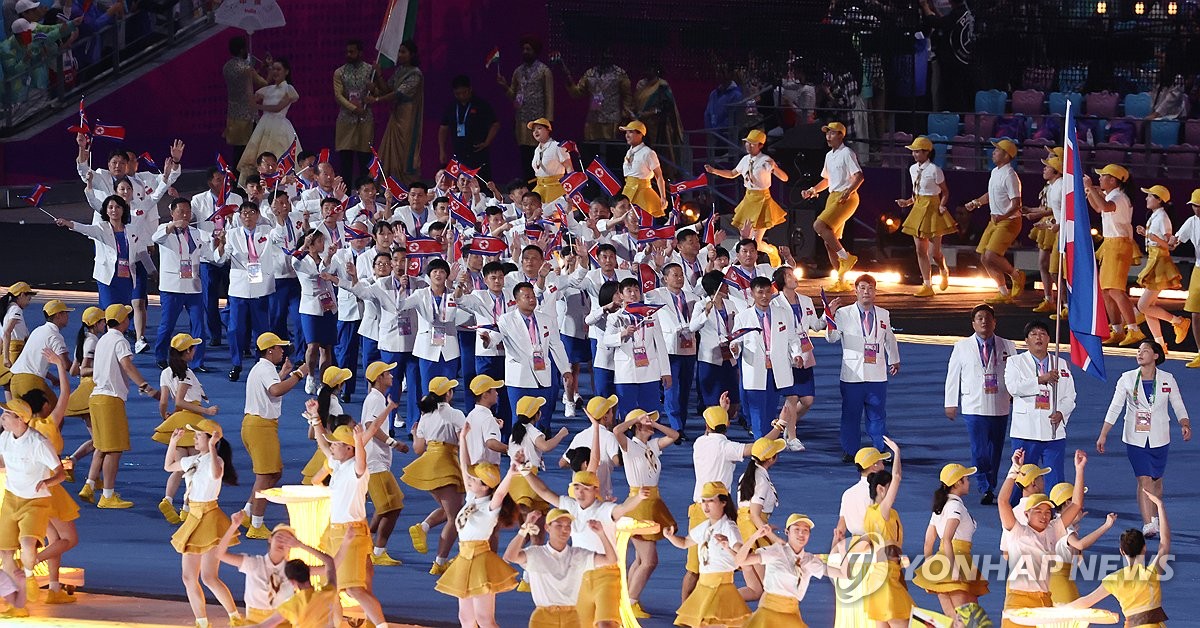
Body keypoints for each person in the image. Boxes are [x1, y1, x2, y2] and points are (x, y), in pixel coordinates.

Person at [522, 443, 648, 628]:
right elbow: (543, 492)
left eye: (586, 488)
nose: (580, 492)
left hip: (606, 574)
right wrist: (525, 472)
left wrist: (638, 498)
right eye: (577, 487)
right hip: (579, 575)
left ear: (595, 490)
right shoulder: (570, 506)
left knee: (606, 624)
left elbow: (622, 508)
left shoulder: (605, 509)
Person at [683, 400, 784, 603]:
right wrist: (779, 427)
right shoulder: (726, 447)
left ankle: (686, 612)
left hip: (699, 509)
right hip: (719, 511)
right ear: (727, 425)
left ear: (707, 426)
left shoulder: (700, 443)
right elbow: (758, 448)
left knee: (696, 567)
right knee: (719, 565)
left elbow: (713, 432)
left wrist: (722, 412)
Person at [1098, 339, 1190, 538]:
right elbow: (1115, 407)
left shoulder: (1168, 378)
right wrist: (1104, 433)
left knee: (1156, 481)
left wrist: (1185, 423)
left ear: (1156, 356)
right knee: (1144, 479)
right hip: (1135, 438)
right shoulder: (1127, 378)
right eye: (1138, 351)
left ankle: (1155, 516)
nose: (1139, 354)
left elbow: (1178, 403)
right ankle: (1148, 523)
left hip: (1159, 437)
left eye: (1145, 351)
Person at [433, 422, 519, 628]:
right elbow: (464, 467)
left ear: (485, 486)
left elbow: (499, 493)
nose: (469, 480)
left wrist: (511, 474)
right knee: (466, 619)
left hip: (481, 562)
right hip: (464, 558)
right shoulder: (473, 497)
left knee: (484, 619)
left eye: (475, 479)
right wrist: (462, 438)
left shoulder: (490, 506)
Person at [310, 420, 390, 628]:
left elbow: (361, 462)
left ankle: (381, 625)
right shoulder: (338, 464)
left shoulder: (357, 471)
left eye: (337, 444)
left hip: (351, 533)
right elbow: (322, 443)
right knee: (334, 586)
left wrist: (358, 441)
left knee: (354, 588)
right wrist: (316, 420)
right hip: (337, 532)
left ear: (349, 448)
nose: (333, 446)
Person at [164, 419, 244, 628]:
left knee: (209, 576)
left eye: (199, 435)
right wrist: (173, 443)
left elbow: (217, 474)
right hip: (193, 518)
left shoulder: (216, 461)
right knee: (188, 577)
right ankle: (201, 621)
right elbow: (168, 466)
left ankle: (234, 616)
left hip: (209, 517)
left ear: (211, 439)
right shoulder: (194, 460)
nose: (195, 438)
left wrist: (211, 448)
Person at [998, 448, 1087, 626]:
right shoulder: (1017, 531)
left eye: (1047, 511)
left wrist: (1079, 470)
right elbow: (1002, 500)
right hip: (1018, 602)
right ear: (1026, 514)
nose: (1044, 515)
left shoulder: (1053, 530)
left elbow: (1076, 504)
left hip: (1045, 602)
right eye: (1038, 511)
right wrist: (1014, 470)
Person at [81, 304, 158, 509]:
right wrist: (145, 386)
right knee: (114, 450)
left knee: (101, 446)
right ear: (124, 321)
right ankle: (107, 495)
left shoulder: (103, 339)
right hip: (110, 400)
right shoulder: (120, 340)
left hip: (96, 397)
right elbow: (127, 365)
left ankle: (89, 485)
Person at [0, 398, 66, 619]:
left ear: (20, 419)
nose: (2, 418)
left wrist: (48, 482)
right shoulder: (5, 437)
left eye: (7, 415)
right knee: (6, 553)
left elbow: (61, 472)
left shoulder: (39, 443)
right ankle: (17, 605)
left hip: (35, 501)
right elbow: (3, 460)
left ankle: (29, 576)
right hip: (11, 498)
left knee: (28, 544)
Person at [944, 304, 1016, 504]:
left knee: (996, 449)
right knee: (979, 449)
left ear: (995, 322)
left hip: (1000, 403)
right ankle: (984, 484)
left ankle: (990, 486)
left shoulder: (1007, 345)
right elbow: (953, 376)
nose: (984, 321)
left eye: (987, 318)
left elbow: (1015, 373)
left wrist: (1015, 394)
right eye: (979, 318)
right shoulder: (962, 346)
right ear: (973, 323)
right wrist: (951, 403)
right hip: (973, 405)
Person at [240, 332, 310, 539]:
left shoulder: (262, 368)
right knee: (265, 476)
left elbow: (269, 390)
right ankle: (256, 524)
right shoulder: (265, 368)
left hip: (260, 426)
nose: (282, 351)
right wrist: (298, 374)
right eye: (280, 348)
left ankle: (247, 513)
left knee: (274, 473)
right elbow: (276, 390)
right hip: (260, 427)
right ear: (270, 350)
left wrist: (285, 373)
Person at [1068, 490, 1170, 627]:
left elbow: (1086, 602)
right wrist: (1159, 505)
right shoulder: (1152, 573)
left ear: (1121, 551)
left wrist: (1056, 610)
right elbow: (1165, 542)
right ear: (1144, 548)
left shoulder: (1114, 579)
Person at [826, 274, 900, 462]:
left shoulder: (883, 314)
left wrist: (894, 359)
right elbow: (832, 338)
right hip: (852, 375)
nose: (866, 291)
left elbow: (889, 338)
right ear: (856, 290)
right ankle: (850, 450)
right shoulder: (843, 313)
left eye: (870, 288)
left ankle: (881, 449)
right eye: (862, 288)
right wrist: (830, 314)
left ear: (875, 291)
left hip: (877, 374)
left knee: (877, 415)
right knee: (851, 415)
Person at [613, 409, 679, 616]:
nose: (650, 424)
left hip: (652, 503)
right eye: (647, 422)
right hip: (639, 503)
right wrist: (634, 419)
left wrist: (654, 425)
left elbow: (675, 436)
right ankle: (630, 603)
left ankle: (628, 598)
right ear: (637, 426)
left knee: (642, 560)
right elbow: (616, 430)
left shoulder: (652, 446)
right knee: (650, 560)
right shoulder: (630, 446)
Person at [502, 508, 617, 628]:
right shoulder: (536, 553)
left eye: (568, 525)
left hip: (571, 616)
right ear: (547, 528)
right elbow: (510, 556)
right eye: (559, 525)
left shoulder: (578, 554)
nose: (565, 529)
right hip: (543, 618)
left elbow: (611, 559)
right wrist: (524, 528)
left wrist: (601, 534)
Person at [663, 481, 752, 628]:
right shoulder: (704, 527)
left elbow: (740, 550)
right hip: (703, 586)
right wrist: (670, 536)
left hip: (721, 588)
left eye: (711, 501)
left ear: (723, 502)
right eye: (703, 501)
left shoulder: (728, 527)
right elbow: (685, 542)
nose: (705, 505)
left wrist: (731, 545)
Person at [484, 282, 571, 430]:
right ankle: (517, 451)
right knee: (520, 421)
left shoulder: (546, 319)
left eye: (533, 296)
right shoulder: (507, 319)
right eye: (527, 297)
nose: (532, 300)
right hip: (519, 379)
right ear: (517, 301)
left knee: (541, 420)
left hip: (543, 375)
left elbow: (556, 345)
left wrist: (565, 370)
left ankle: (537, 451)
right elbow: (496, 336)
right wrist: (488, 340)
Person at [402, 377, 466, 574]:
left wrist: (414, 434)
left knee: (449, 510)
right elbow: (464, 439)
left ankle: (424, 527)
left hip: (428, 465)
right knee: (455, 517)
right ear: (448, 394)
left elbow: (419, 449)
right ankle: (439, 562)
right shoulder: (455, 414)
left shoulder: (425, 416)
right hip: (445, 464)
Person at [153, 334, 219, 524]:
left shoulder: (165, 372)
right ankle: (186, 507)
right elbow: (181, 401)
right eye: (192, 348)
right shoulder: (187, 373)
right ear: (187, 352)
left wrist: (166, 416)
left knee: (179, 467)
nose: (195, 350)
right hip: (192, 421)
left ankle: (168, 499)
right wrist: (207, 410)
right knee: (194, 467)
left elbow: (164, 400)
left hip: (178, 420)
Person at [911, 463, 990, 620]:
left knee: (954, 619)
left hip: (941, 563)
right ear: (957, 483)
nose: (969, 482)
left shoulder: (940, 507)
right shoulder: (955, 506)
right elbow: (947, 538)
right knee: (969, 619)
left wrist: (930, 566)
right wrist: (954, 570)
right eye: (966, 479)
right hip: (957, 561)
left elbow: (928, 542)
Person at [1005, 319, 1076, 489]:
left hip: (1053, 431)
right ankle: (1017, 512)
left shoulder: (1061, 363)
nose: (1039, 338)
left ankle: (1055, 512)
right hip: (1025, 431)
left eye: (1042, 334)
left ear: (1049, 339)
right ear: (1026, 341)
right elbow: (1013, 388)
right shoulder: (1015, 362)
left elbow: (1070, 396)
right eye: (1034, 334)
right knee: (1023, 477)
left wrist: (1061, 413)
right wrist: (1040, 379)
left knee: (1056, 478)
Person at [731, 277, 804, 439]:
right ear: (752, 293)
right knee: (757, 409)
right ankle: (760, 443)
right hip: (755, 368)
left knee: (771, 409)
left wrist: (796, 354)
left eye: (767, 292)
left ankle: (767, 442)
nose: (764, 296)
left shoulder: (783, 313)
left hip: (777, 368)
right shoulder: (743, 317)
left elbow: (792, 338)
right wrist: (735, 347)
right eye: (760, 292)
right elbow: (736, 339)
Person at [736, 514, 839, 628]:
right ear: (787, 532)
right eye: (797, 529)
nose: (801, 533)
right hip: (769, 613)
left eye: (806, 530)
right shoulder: (776, 551)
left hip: (792, 616)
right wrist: (754, 537)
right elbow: (741, 560)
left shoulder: (809, 560)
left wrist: (837, 546)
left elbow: (840, 573)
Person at [216, 514, 322, 623]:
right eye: (279, 537)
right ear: (270, 539)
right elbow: (220, 554)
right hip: (255, 621)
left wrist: (302, 545)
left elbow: (329, 568)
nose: (282, 542)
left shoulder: (294, 570)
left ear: (292, 545)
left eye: (287, 540)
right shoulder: (253, 563)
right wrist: (233, 526)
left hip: (282, 620)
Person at [705, 129, 789, 262]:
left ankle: (771, 251)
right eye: (747, 143)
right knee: (746, 240)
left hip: (762, 201)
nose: (748, 146)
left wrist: (775, 168)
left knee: (756, 242)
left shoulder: (765, 160)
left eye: (752, 144)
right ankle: (750, 266)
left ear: (760, 145)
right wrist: (714, 171)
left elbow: (784, 178)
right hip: (748, 200)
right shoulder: (745, 160)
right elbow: (733, 173)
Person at [217, 202, 277, 382]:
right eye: (244, 213)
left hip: (261, 286)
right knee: (235, 328)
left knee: (262, 329)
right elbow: (222, 258)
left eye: (251, 213)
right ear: (240, 216)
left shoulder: (267, 231)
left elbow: (279, 234)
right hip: (239, 288)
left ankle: (264, 364)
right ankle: (236, 363)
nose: (248, 217)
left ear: (257, 215)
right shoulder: (232, 234)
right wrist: (220, 244)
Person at [56, 195, 151, 309]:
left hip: (126, 277)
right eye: (110, 207)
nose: (114, 210)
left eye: (117, 207)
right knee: (110, 311)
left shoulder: (132, 229)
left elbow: (141, 250)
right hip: (108, 278)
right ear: (106, 211)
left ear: (123, 209)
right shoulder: (101, 228)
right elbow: (85, 229)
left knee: (124, 311)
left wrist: (152, 270)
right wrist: (67, 223)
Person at [801, 122, 863, 292]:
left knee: (819, 225)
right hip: (833, 196)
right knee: (829, 241)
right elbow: (827, 179)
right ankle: (841, 280)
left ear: (841, 135)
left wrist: (849, 191)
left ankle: (846, 257)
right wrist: (813, 190)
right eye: (827, 133)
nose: (828, 136)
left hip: (846, 197)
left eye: (832, 133)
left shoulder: (847, 153)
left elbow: (859, 176)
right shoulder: (829, 155)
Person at [1085, 164, 1142, 346]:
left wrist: (1091, 188)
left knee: (1116, 290)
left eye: (1103, 176)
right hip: (1111, 244)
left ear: (1113, 180)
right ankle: (1117, 329)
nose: (1099, 179)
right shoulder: (1112, 195)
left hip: (1119, 245)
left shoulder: (1119, 197)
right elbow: (1097, 208)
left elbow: (1104, 206)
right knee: (1106, 291)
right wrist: (1089, 191)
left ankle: (1134, 328)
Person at [153, 198, 213, 371]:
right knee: (167, 325)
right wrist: (173, 224)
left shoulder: (196, 233)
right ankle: (160, 355)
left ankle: (197, 361)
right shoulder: (165, 230)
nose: (185, 215)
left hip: (194, 286)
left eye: (188, 212)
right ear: (172, 213)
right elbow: (155, 237)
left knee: (198, 326)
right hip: (172, 287)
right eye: (181, 212)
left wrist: (220, 246)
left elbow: (210, 255)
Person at [772, 266, 827, 449]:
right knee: (792, 397)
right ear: (782, 282)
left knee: (808, 400)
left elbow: (816, 326)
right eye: (789, 275)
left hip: (805, 352)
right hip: (787, 354)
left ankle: (784, 423)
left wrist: (828, 313)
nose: (794, 277)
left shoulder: (806, 300)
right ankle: (792, 437)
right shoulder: (775, 303)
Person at [964, 139, 1025, 304]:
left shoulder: (1010, 175)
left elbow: (1016, 203)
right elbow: (991, 195)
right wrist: (976, 202)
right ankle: (1003, 293)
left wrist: (1003, 217)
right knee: (984, 258)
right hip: (995, 220)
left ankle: (1016, 275)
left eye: (997, 150)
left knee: (991, 255)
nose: (993, 153)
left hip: (1009, 221)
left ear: (1006, 155)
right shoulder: (995, 172)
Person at [360, 362, 408, 565]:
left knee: (385, 506)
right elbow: (372, 426)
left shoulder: (377, 398)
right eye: (387, 373)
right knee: (392, 506)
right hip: (375, 462)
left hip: (376, 460)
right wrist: (393, 443)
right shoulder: (375, 399)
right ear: (379, 378)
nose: (391, 375)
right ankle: (378, 551)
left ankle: (364, 544)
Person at [895, 136, 955, 296]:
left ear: (927, 152)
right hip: (918, 208)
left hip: (933, 208)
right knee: (920, 250)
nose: (914, 154)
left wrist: (942, 205)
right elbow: (916, 193)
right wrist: (907, 202)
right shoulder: (912, 169)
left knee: (935, 252)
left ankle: (943, 269)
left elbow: (945, 191)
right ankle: (927, 284)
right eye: (913, 151)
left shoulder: (935, 170)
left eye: (917, 151)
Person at [645, 263, 698, 439]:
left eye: (681, 275)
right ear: (665, 278)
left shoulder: (692, 297)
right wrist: (654, 263)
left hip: (689, 347)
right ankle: (676, 427)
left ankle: (681, 424)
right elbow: (644, 285)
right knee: (671, 389)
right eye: (675, 275)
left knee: (685, 390)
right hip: (669, 348)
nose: (679, 278)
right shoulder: (657, 295)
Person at [1135, 185, 1189, 351]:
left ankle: (1179, 321)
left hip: (1160, 260)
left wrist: (1148, 235)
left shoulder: (1163, 218)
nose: (1146, 198)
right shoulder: (1155, 216)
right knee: (1147, 307)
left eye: (1150, 196)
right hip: (1154, 258)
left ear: (1159, 199)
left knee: (1143, 306)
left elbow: (1169, 245)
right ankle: (1159, 344)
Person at [244, 538, 342, 628]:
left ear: (292, 582)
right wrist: (301, 545)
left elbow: (262, 626)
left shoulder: (293, 605)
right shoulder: (328, 592)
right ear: (308, 573)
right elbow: (329, 561)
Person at [734, 437, 785, 601]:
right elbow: (754, 514)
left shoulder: (747, 475)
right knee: (769, 588)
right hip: (753, 534)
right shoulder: (761, 479)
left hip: (743, 530)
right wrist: (775, 539)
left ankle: (719, 602)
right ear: (771, 459)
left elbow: (746, 511)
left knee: (755, 589)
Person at [562, 50, 632, 166]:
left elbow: (627, 97)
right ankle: (592, 181)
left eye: (608, 54)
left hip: (612, 120)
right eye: (603, 54)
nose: (606, 57)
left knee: (611, 155)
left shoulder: (620, 74)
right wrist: (566, 76)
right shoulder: (590, 73)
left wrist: (625, 115)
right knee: (591, 154)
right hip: (593, 120)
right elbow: (577, 92)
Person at [237, 58, 300, 184]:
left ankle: (282, 183)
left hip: (280, 126)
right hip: (264, 126)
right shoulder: (267, 89)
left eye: (278, 69)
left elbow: (278, 108)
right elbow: (250, 101)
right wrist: (250, 79)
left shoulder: (288, 89)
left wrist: (259, 107)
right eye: (273, 69)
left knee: (280, 156)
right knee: (257, 158)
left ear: (286, 71)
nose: (275, 72)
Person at [498, 36, 554, 180]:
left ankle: (538, 183)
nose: (525, 52)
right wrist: (505, 86)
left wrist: (548, 121)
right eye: (523, 49)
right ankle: (527, 184)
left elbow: (549, 96)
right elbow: (513, 96)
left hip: (538, 120)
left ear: (535, 51)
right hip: (522, 119)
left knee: (539, 154)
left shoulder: (544, 71)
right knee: (524, 154)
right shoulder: (518, 71)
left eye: (528, 49)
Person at [690, 271, 742, 427]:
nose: (727, 287)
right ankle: (710, 431)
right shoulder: (700, 305)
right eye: (724, 284)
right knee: (712, 401)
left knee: (732, 402)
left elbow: (738, 324)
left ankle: (723, 429)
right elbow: (693, 327)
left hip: (729, 355)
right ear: (715, 287)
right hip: (710, 358)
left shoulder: (730, 304)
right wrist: (705, 312)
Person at [291, 229, 338, 394]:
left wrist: (330, 256)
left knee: (327, 347)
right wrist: (303, 245)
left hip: (329, 306)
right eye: (319, 241)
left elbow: (332, 272)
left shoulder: (326, 258)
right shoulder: (301, 261)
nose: (322, 244)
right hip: (311, 308)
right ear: (311, 243)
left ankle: (324, 382)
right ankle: (310, 376)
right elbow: (294, 261)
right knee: (312, 345)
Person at [376, 40, 424, 183]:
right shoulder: (400, 71)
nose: (400, 55)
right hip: (396, 116)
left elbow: (398, 94)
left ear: (412, 54)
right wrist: (378, 75)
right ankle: (389, 184)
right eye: (399, 51)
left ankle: (406, 185)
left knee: (404, 152)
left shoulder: (416, 74)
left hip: (407, 118)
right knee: (390, 151)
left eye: (404, 52)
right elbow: (387, 89)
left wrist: (376, 100)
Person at [8, 300, 71, 406]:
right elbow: (65, 365)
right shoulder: (55, 336)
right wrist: (82, 369)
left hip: (15, 381)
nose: (68, 317)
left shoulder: (37, 330)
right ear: (58, 315)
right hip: (31, 382)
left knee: (25, 420)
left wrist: (52, 378)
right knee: (55, 414)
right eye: (65, 313)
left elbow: (32, 362)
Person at [439, 75, 500, 181]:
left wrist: (487, 142)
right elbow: (443, 128)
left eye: (464, 92)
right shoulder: (452, 107)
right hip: (459, 152)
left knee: (482, 183)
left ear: (470, 89)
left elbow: (495, 124)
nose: (462, 96)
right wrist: (442, 150)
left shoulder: (481, 105)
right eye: (458, 93)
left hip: (478, 151)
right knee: (459, 183)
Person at [1024, 155, 1064, 314]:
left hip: (1059, 228)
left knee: (1056, 269)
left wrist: (1044, 219)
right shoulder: (1053, 186)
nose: (1044, 168)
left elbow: (1063, 212)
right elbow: (1054, 210)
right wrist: (1034, 212)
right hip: (1054, 225)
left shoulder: (1059, 186)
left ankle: (1064, 304)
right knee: (1048, 266)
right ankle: (1055, 301)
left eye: (1048, 166)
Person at [334, 39, 376, 181]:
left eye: (352, 52)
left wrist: (373, 89)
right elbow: (338, 96)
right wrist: (354, 108)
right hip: (346, 120)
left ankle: (366, 193)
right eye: (347, 52)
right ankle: (345, 197)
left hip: (365, 118)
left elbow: (378, 92)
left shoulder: (370, 70)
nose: (349, 54)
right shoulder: (339, 72)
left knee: (365, 159)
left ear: (360, 53)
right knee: (346, 161)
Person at [633, 64, 685, 172]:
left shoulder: (662, 85)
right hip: (641, 127)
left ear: (656, 70)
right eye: (646, 68)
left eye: (650, 68)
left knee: (659, 155)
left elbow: (666, 107)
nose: (648, 71)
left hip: (657, 128)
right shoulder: (640, 84)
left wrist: (649, 113)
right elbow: (636, 104)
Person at [222, 36, 267, 161]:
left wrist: (257, 68)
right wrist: (267, 69)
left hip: (233, 114)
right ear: (242, 50)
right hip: (247, 115)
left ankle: (236, 178)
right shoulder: (246, 68)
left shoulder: (226, 67)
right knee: (249, 150)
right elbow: (263, 83)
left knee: (237, 151)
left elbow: (244, 80)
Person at [618, 120, 669, 218]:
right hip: (628, 191)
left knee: (642, 219)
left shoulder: (648, 153)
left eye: (631, 132)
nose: (627, 135)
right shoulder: (629, 152)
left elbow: (659, 176)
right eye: (626, 132)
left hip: (642, 192)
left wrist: (663, 196)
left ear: (640, 134)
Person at [1173, 189, 1200, 367]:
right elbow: (1176, 241)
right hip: (1198, 270)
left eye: (1197, 205)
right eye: (1194, 205)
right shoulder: (1192, 221)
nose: (1195, 209)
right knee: (1195, 313)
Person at [526, 118, 573, 203]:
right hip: (540, 188)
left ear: (548, 130)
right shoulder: (537, 150)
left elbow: (569, 169)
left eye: (539, 128)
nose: (536, 132)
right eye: (533, 130)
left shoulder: (557, 146)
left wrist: (571, 190)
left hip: (555, 188)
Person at [0, 282, 35, 391]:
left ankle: (9, 408)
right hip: (15, 351)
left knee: (8, 384)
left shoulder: (7, 309)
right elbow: (7, 332)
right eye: (28, 298)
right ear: (21, 295)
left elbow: (3, 335)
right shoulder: (16, 310)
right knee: (17, 385)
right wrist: (6, 358)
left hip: (8, 350)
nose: (29, 301)